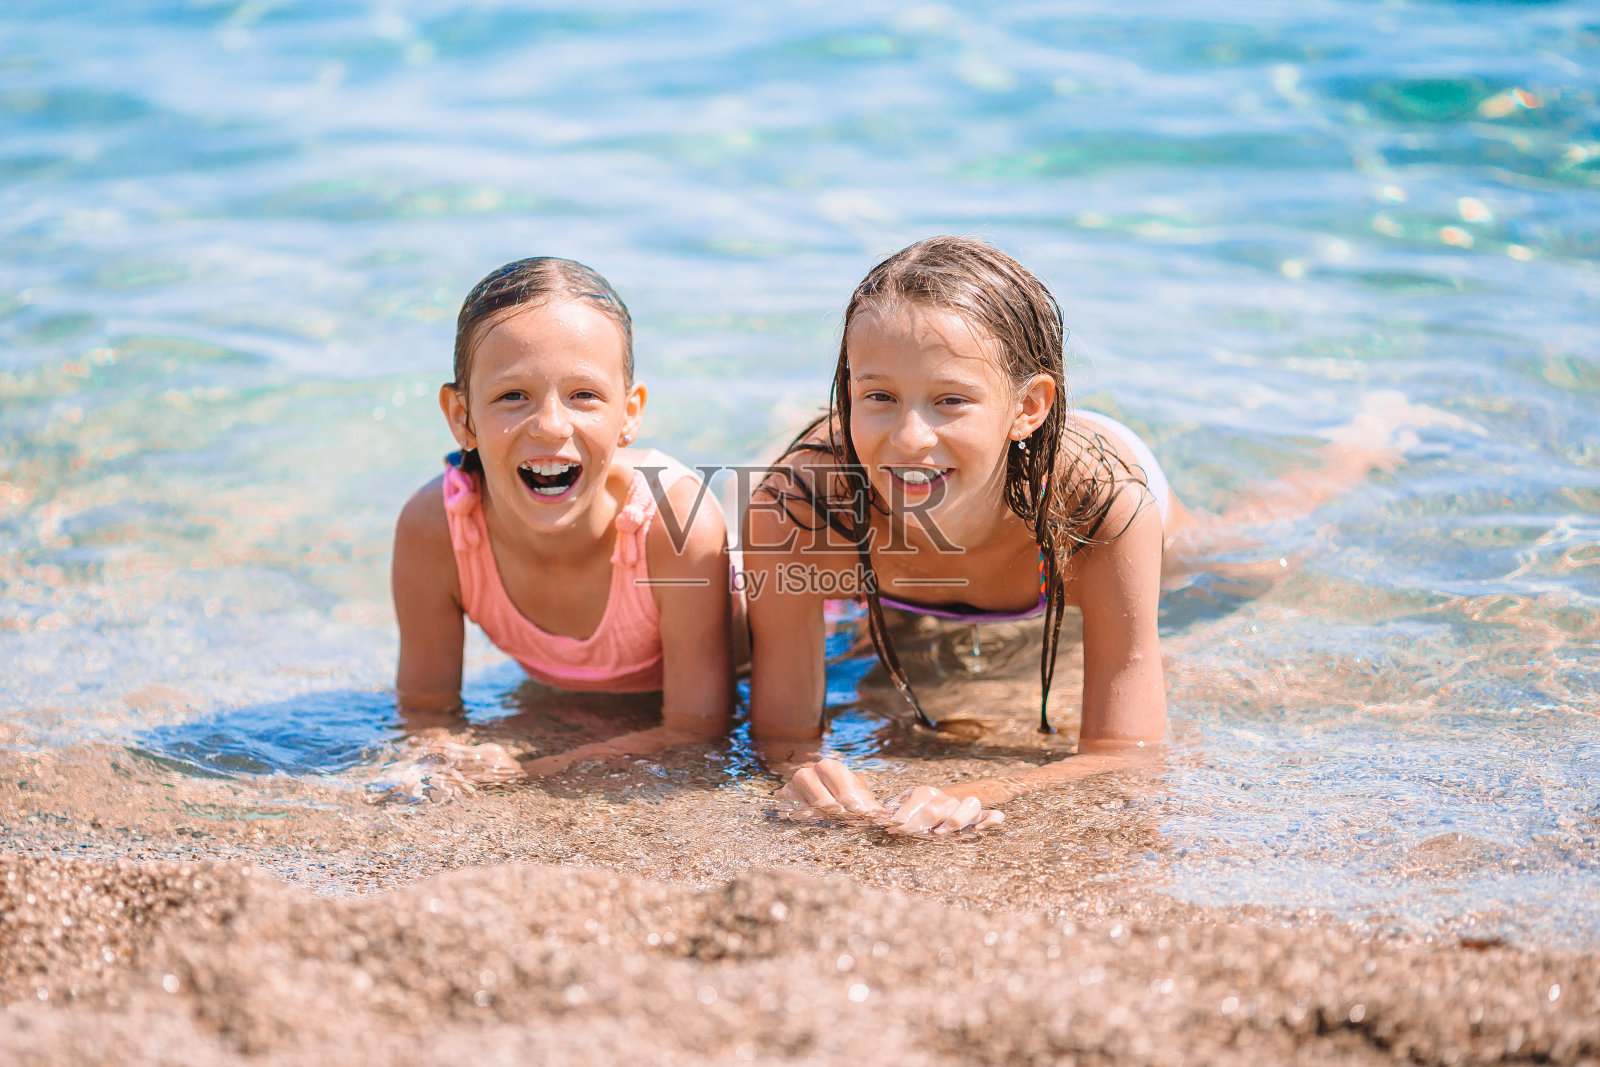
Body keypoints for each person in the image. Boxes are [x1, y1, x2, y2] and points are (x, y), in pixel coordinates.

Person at [743, 235, 1442, 834]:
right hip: (914, 537)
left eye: (950, 399)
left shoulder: (1101, 508)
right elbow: (783, 733)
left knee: (1251, 557)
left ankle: (1365, 440)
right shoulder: (799, 504)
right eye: (879, 396)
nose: (911, 435)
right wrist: (807, 773)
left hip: (1063, 478)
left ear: (1028, 406)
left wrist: (975, 793)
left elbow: (1125, 747)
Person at [388, 257, 733, 790]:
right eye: (511, 396)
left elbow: (697, 728)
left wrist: (530, 773)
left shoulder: (673, 527)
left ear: (631, 413)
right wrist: (440, 760)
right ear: (462, 417)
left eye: (584, 395)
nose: (550, 425)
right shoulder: (436, 528)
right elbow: (426, 711)